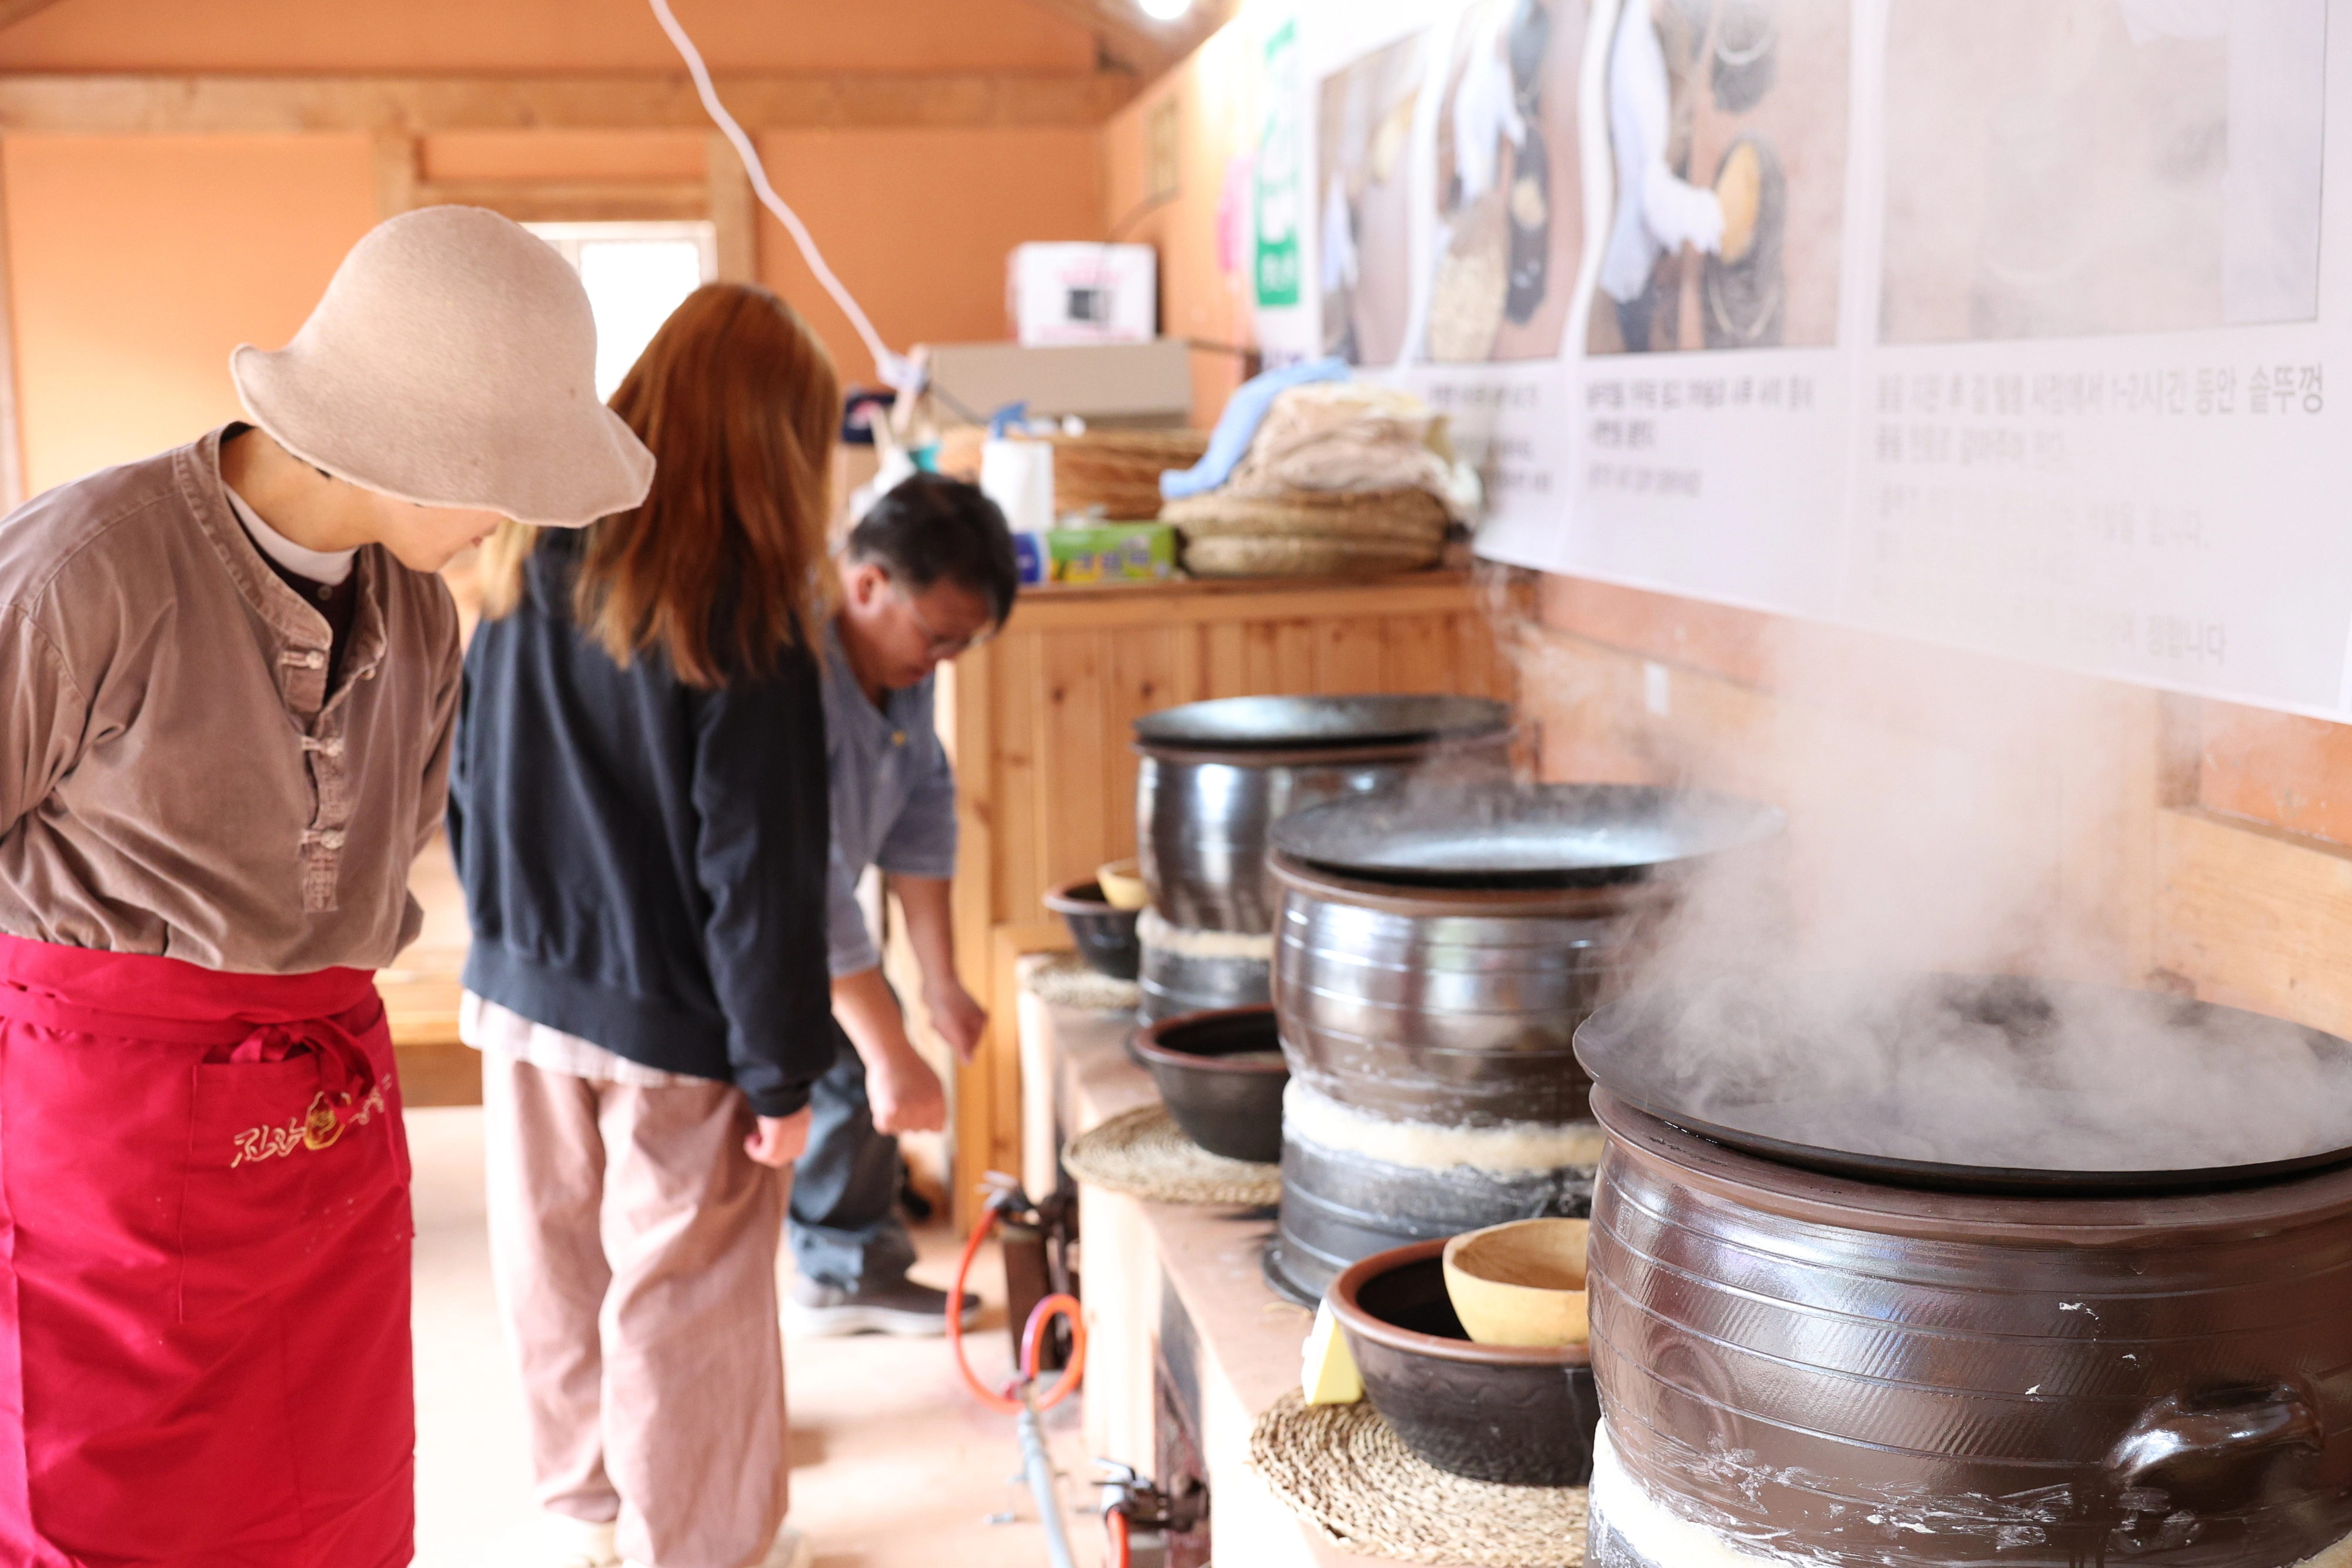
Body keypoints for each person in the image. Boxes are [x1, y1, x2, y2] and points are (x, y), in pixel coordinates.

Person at [0, 206, 653, 1567]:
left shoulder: (421, 611)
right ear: (412, 449)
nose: (511, 519)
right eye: (504, 477)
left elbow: (389, 842)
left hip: (316, 1129)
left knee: (328, 1506)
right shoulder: (84, 566)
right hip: (97, 1152)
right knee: (101, 1517)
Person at [450, 281, 840, 1568]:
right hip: (677, 1017)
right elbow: (762, 871)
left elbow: (466, 784)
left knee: (550, 1268)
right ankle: (703, 1548)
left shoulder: (525, 553)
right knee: (688, 1297)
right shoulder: (743, 613)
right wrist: (782, 1067)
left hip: (516, 987)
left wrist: (503, 928)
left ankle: (585, 1526)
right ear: (777, 441)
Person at [783, 473, 1017, 1336]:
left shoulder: (902, 667)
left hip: (818, 904)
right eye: (936, 636)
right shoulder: (790, 666)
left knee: (862, 1052)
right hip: (736, 917)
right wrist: (889, 1043)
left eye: (960, 646)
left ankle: (848, 1256)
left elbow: (922, 813)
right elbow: (804, 876)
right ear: (868, 582)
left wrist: (941, 981)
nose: (940, 662)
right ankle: (840, 1267)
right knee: (850, 1063)